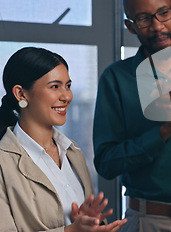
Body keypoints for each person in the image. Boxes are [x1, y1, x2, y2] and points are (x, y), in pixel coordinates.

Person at [93, 0, 171, 232]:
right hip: (147, 220)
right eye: (144, 19)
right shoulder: (116, 78)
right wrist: (164, 129)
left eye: (163, 14)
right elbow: (106, 164)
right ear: (130, 26)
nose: (158, 26)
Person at [0, 47, 126, 232]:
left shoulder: (73, 152)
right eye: (54, 86)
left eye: (68, 86)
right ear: (21, 94)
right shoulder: (4, 162)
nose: (67, 96)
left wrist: (93, 224)